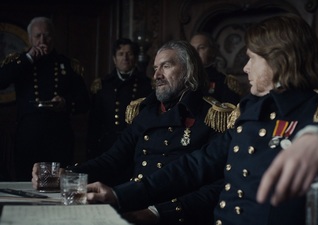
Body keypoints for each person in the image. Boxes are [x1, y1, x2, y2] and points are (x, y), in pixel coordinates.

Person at [82, 14, 318, 225]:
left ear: (278, 60)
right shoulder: (251, 111)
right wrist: (119, 195)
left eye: (251, 58)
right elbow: (195, 166)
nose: (245, 68)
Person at [32, 40, 234, 225]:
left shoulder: (213, 117)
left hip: (178, 216)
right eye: (155, 68)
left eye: (166, 66)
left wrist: (160, 212)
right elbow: (112, 159)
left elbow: (217, 186)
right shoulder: (147, 112)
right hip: (133, 204)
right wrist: (67, 175)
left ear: (189, 70)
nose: (156, 75)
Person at [0, 17, 90, 181]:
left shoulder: (67, 64)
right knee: (26, 182)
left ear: (53, 37)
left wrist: (65, 103)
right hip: (28, 138)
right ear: (30, 39)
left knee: (59, 185)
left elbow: (85, 101)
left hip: (58, 138)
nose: (43, 41)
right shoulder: (20, 62)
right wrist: (28, 58)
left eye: (47, 36)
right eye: (38, 36)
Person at [86, 38, 152, 159]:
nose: (125, 58)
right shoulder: (102, 85)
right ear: (114, 59)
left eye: (129, 54)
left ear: (135, 58)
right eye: (121, 54)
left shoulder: (147, 85)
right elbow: (94, 124)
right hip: (107, 147)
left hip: (135, 146)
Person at [190, 33, 242, 104]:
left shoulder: (225, 82)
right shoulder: (183, 79)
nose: (195, 52)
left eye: (201, 48)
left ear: (212, 51)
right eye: (192, 48)